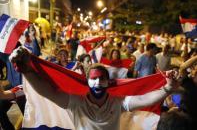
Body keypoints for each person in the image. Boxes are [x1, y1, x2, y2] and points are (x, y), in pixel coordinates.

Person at [10, 47, 179, 130]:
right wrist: (28, 71)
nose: (98, 83)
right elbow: (48, 92)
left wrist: (168, 88)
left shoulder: (117, 102)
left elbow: (144, 99)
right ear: (87, 82)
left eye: (102, 79)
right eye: (93, 79)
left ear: (108, 82)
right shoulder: (76, 102)